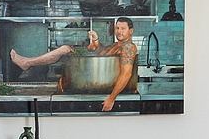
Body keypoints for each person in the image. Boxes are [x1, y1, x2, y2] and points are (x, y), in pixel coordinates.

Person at [10, 17, 139, 113]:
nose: (119, 31)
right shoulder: (117, 45)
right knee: (65, 49)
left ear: (131, 31)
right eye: (117, 28)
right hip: (98, 85)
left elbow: (126, 73)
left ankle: (27, 63)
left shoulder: (128, 47)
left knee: (64, 49)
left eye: (123, 28)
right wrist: (95, 41)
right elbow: (101, 53)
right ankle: (27, 63)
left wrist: (111, 98)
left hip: (109, 90)